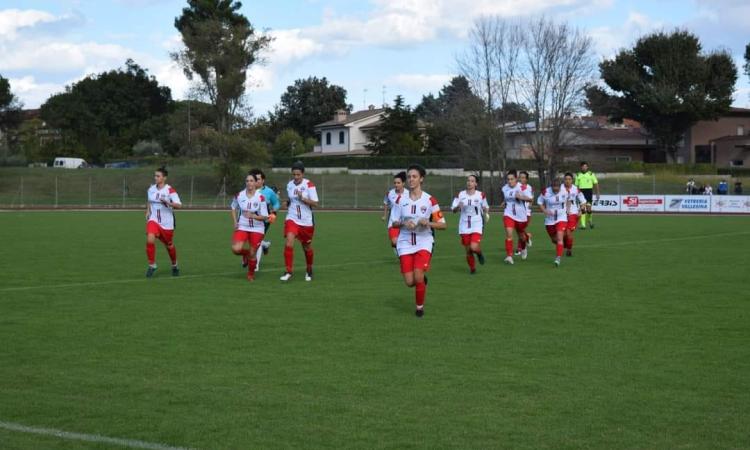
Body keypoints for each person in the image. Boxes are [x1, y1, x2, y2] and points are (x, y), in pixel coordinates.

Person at [390, 164, 446, 317]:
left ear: (421, 179)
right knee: (410, 282)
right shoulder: (400, 200)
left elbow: (443, 224)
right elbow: (394, 222)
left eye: (414, 177)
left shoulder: (430, 200)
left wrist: (428, 222)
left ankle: (419, 308)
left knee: (418, 274)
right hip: (405, 243)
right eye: (409, 177)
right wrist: (403, 223)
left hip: (424, 242)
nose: (411, 180)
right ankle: (421, 281)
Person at [281, 161, 319, 282]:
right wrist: (287, 203)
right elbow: (291, 200)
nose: (296, 177)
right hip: (292, 218)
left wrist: (303, 198)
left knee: (306, 247)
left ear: (302, 174)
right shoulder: (290, 185)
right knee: (289, 241)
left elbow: (315, 203)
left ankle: (309, 269)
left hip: (306, 221)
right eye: (294, 175)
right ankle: (288, 271)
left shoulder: (309, 185)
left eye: (298, 174)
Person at [230, 172, 269, 281]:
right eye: (247, 181)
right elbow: (233, 207)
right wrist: (235, 222)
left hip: (257, 228)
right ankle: (245, 255)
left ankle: (250, 274)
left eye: (251, 181)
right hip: (242, 226)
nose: (249, 183)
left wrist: (253, 216)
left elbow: (265, 216)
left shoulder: (261, 197)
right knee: (236, 249)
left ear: (256, 183)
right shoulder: (239, 195)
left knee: (253, 253)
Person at [145, 167, 182, 277]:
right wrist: (147, 211)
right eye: (155, 176)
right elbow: (149, 201)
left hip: (167, 223)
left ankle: (174, 265)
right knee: (150, 238)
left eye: (158, 176)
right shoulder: (151, 189)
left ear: (164, 178)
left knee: (169, 245)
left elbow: (179, 205)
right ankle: (152, 265)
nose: (155, 178)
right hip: (154, 219)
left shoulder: (170, 190)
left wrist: (168, 202)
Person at [451, 174, 489, 274]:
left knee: (474, 247)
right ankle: (472, 269)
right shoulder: (460, 194)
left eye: (472, 181)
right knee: (468, 250)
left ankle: (479, 253)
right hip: (464, 225)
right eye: (468, 180)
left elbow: (486, 206)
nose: (469, 183)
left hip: (477, 223)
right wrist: (458, 207)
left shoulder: (481, 195)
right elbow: (453, 210)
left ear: (476, 183)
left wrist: (486, 210)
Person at [249, 168, 281, 271]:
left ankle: (255, 265)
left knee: (256, 241)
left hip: (264, 221)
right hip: (250, 219)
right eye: (254, 179)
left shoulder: (269, 192)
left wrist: (274, 212)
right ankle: (265, 245)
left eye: (258, 179)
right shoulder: (248, 190)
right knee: (251, 240)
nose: (255, 181)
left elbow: (276, 203)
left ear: (263, 180)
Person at [501, 170, 533, 264]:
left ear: (516, 179)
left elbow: (531, 198)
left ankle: (524, 247)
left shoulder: (522, 187)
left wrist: (521, 197)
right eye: (508, 179)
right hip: (508, 214)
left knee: (521, 237)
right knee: (509, 234)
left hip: (521, 216)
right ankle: (509, 256)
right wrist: (504, 202)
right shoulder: (504, 188)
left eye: (512, 179)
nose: (510, 181)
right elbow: (507, 197)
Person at [537, 179, 570, 267]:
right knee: (554, 240)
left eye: (557, 187)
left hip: (561, 218)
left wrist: (568, 211)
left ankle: (558, 258)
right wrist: (545, 211)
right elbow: (539, 202)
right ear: (551, 186)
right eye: (554, 187)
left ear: (560, 186)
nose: (555, 189)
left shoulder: (565, 191)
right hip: (550, 220)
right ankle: (563, 244)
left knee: (559, 238)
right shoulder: (545, 192)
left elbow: (568, 200)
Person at [561, 173, 587, 257]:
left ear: (572, 180)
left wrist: (581, 210)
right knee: (562, 234)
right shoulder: (559, 188)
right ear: (563, 180)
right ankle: (566, 244)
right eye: (566, 179)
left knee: (568, 232)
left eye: (569, 179)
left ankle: (569, 249)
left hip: (573, 213)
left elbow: (583, 201)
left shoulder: (576, 189)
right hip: (561, 214)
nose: (567, 181)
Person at [382, 171, 407, 250]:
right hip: (393, 222)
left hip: (405, 223)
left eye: (398, 183)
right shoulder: (389, 193)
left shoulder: (409, 194)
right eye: (395, 183)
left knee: (404, 244)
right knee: (395, 242)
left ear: (403, 183)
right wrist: (385, 215)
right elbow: (385, 202)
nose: (396, 185)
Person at [575, 161, 600, 230]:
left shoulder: (591, 174)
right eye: (583, 166)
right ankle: (583, 225)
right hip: (581, 192)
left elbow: (596, 183)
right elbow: (576, 186)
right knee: (582, 208)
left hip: (589, 192)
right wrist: (575, 194)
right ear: (581, 167)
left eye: (585, 166)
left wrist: (597, 193)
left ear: (587, 167)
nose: (584, 168)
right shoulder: (578, 175)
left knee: (589, 209)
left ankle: (590, 220)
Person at [514, 170, 533, 254]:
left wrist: (530, 204)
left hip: (526, 213)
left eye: (523, 177)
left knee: (520, 230)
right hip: (516, 213)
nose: (521, 179)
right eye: (520, 177)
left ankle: (519, 249)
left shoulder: (529, 187)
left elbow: (531, 198)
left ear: (526, 179)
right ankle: (527, 237)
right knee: (519, 230)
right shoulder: (516, 186)